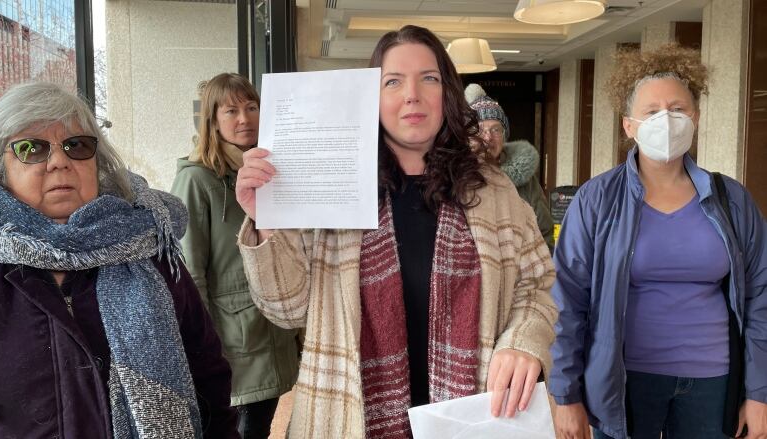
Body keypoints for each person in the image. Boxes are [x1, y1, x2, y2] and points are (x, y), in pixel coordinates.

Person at [234, 25, 558, 438]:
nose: (412, 94)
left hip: (474, 418)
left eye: (429, 78)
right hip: (351, 418)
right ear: (372, 97)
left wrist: (523, 341)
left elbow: (537, 286)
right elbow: (286, 309)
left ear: (448, 94)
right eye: (393, 81)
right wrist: (269, 221)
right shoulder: (334, 188)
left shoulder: (494, 192)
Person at [0, 82, 238, 438]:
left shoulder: (151, 252)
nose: (59, 162)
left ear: (97, 162)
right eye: (31, 148)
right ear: (0, 169)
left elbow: (207, 372)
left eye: (77, 146)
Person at [550, 44, 767, 439]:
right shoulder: (597, 199)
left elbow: (760, 299)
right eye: (652, 112)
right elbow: (567, 301)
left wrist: (759, 393)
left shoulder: (731, 199)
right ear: (628, 125)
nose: (667, 120)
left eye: (678, 109)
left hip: (713, 383)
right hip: (624, 383)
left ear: (696, 118)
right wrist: (566, 395)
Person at [170, 73, 299, 439]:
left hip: (271, 333)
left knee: (260, 425)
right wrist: (201, 350)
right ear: (212, 120)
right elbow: (187, 273)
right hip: (231, 348)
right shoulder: (198, 180)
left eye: (251, 107)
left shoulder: (270, 172)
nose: (244, 118)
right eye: (230, 110)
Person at [465, 83, 554, 251]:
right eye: (479, 129)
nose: (487, 137)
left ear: (504, 136)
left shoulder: (526, 183)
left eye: (496, 130)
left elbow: (545, 233)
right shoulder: (452, 178)